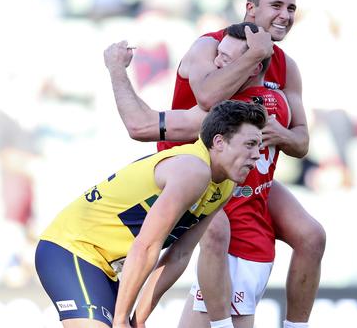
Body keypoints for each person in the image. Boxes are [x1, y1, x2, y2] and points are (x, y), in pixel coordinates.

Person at [158, 0, 325, 328]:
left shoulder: (286, 67)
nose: (285, 14)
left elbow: (301, 142)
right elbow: (206, 96)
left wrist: (279, 133)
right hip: (191, 169)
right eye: (276, 5)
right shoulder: (209, 46)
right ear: (250, 9)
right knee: (216, 232)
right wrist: (253, 56)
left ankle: (296, 326)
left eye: (292, 7)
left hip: (245, 175)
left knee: (311, 236)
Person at [103, 22, 292, 328]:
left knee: (201, 236)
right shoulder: (277, 101)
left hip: (236, 249)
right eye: (218, 54)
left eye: (228, 61)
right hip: (254, 248)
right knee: (309, 235)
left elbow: (140, 126)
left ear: (252, 65)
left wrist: (116, 69)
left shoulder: (226, 116)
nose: (216, 63)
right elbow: (301, 142)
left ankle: (131, 320)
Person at [35, 98, 267, 328]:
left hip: (102, 265)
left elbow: (179, 255)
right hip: (71, 249)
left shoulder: (225, 186)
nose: (257, 154)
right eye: (250, 144)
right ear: (219, 142)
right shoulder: (194, 170)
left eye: (259, 146)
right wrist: (120, 319)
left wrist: (139, 318)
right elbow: (146, 246)